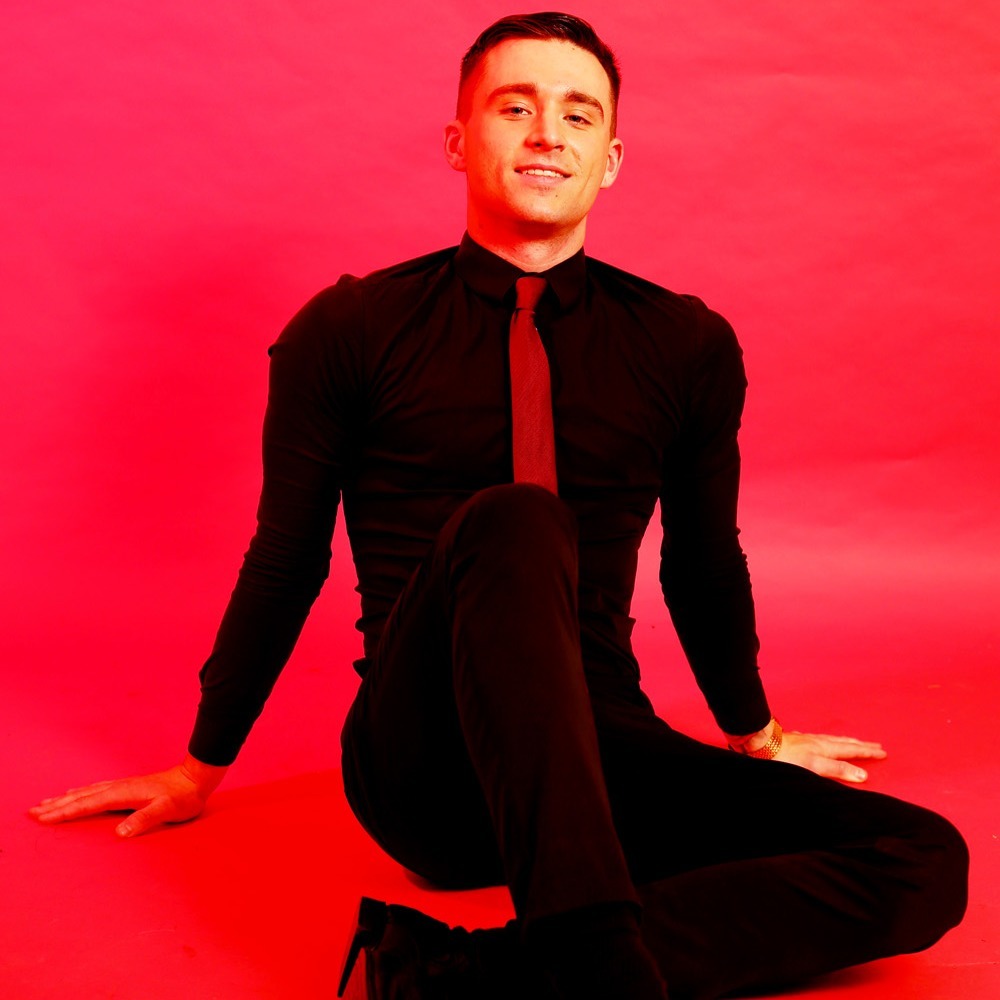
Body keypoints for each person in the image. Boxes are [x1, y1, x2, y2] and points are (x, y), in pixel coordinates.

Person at [31, 12, 967, 999]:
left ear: (610, 160)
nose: (547, 133)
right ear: (457, 140)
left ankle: (462, 977)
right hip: (423, 765)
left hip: (602, 752)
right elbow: (285, 557)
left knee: (922, 859)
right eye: (514, 108)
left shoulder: (683, 344)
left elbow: (702, 559)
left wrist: (756, 736)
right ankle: (600, 969)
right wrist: (199, 766)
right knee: (516, 518)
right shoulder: (349, 329)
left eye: (578, 114)